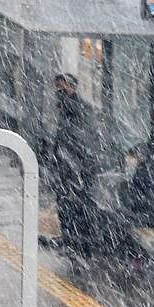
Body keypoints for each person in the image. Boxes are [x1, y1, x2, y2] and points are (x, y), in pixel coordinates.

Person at [49, 74, 100, 257]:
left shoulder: (77, 107)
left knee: (75, 207)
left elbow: (79, 139)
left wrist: (72, 164)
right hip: (68, 167)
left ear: (71, 87)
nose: (59, 92)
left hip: (76, 169)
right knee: (65, 206)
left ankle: (79, 245)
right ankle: (70, 240)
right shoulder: (67, 108)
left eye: (62, 88)